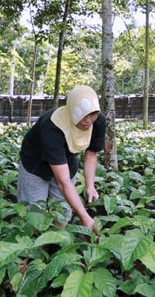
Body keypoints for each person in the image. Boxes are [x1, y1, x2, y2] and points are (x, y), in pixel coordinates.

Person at [17, 85, 105, 233]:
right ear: (71, 110)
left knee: (62, 213)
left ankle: (54, 247)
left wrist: (90, 186)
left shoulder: (98, 121)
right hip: (35, 165)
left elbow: (91, 154)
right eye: (82, 115)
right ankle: (31, 251)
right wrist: (85, 218)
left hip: (66, 160)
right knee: (33, 213)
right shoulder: (51, 127)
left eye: (92, 114)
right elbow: (63, 183)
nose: (88, 120)